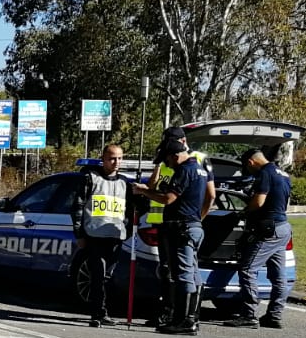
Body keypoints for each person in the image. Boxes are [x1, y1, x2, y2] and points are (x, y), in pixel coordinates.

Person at [144, 127, 215, 327]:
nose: (166, 163)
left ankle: (183, 320)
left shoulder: (186, 170)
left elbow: (168, 198)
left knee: (183, 274)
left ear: (175, 154)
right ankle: (190, 317)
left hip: (182, 226)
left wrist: (144, 192)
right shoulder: (199, 168)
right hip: (191, 225)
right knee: (192, 272)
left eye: (166, 159)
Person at [222, 146, 293, 329]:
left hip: (268, 230)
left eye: (248, 168)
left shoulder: (265, 173)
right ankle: (274, 316)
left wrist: (244, 212)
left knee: (247, 269)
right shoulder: (283, 174)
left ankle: (249, 315)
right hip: (283, 228)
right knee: (278, 276)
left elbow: (259, 201)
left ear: (251, 162)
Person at [72, 143, 131, 326]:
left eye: (119, 158)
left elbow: (129, 212)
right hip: (94, 235)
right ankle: (98, 312)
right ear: (103, 159)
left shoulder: (124, 183)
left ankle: (102, 310)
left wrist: (126, 231)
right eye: (112, 158)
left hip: (115, 236)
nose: (116, 162)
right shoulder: (90, 178)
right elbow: (78, 207)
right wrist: (80, 234)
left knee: (107, 276)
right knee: (98, 274)